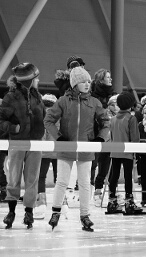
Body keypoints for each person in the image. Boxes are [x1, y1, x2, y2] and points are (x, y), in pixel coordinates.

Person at [44, 66, 110, 232]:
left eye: (88, 81)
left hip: (86, 147)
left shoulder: (94, 102)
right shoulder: (63, 101)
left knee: (85, 183)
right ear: (74, 84)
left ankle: (85, 215)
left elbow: (106, 122)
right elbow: (48, 120)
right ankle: (56, 212)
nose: (87, 84)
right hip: (66, 147)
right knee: (61, 182)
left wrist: (100, 138)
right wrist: (59, 138)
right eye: (83, 82)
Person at [0, 63, 45, 230]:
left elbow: (43, 115)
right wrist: (14, 128)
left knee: (32, 179)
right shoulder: (11, 97)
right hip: (17, 142)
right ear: (28, 81)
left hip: (35, 143)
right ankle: (11, 212)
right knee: (14, 178)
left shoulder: (37, 96)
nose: (38, 80)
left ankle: (29, 212)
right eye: (35, 78)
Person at [107, 91, 144, 215]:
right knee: (128, 177)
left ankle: (112, 201)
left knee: (114, 176)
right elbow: (135, 138)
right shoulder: (131, 118)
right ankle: (129, 202)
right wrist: (136, 152)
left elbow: (111, 136)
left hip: (114, 151)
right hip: (127, 152)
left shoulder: (113, 119)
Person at [89, 69, 114, 201]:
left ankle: (98, 188)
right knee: (92, 163)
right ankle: (88, 188)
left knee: (106, 161)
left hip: (108, 133)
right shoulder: (92, 96)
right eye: (108, 77)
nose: (110, 79)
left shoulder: (112, 96)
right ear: (101, 80)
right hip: (94, 132)